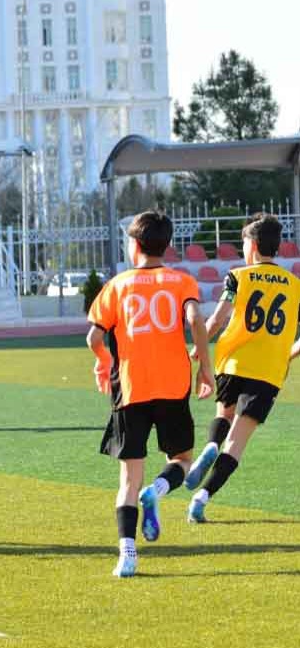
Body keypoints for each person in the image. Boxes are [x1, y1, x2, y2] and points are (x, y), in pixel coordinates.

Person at [86, 211, 214, 578]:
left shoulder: (118, 285)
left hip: (131, 388)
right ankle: (157, 491)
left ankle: (127, 555)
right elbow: (195, 319)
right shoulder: (181, 281)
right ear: (166, 245)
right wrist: (205, 367)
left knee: (129, 480)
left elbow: (94, 337)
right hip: (173, 386)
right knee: (183, 459)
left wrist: (103, 361)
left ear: (135, 245)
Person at [182, 214, 300, 523]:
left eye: (244, 243)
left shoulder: (237, 277)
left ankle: (210, 445)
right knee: (236, 443)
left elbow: (217, 319)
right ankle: (201, 499)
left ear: (254, 245)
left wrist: (198, 348)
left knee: (223, 416)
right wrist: (287, 354)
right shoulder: (295, 286)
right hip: (268, 371)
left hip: (233, 362)